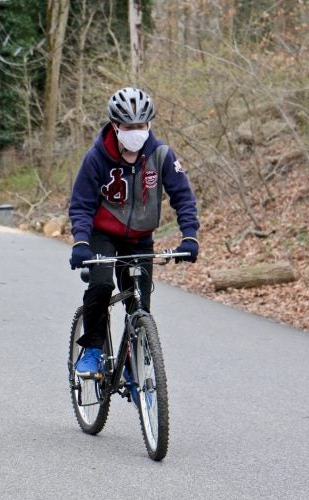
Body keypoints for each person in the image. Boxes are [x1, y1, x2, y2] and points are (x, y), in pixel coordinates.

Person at [69, 87, 200, 378]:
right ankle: (91, 349)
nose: (135, 132)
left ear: (149, 124)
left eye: (141, 126)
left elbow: (183, 197)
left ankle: (133, 361)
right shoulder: (96, 159)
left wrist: (189, 235)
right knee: (101, 285)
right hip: (103, 234)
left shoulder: (162, 155)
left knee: (139, 300)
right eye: (128, 127)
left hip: (140, 237)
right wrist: (81, 242)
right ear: (115, 126)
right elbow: (81, 205)